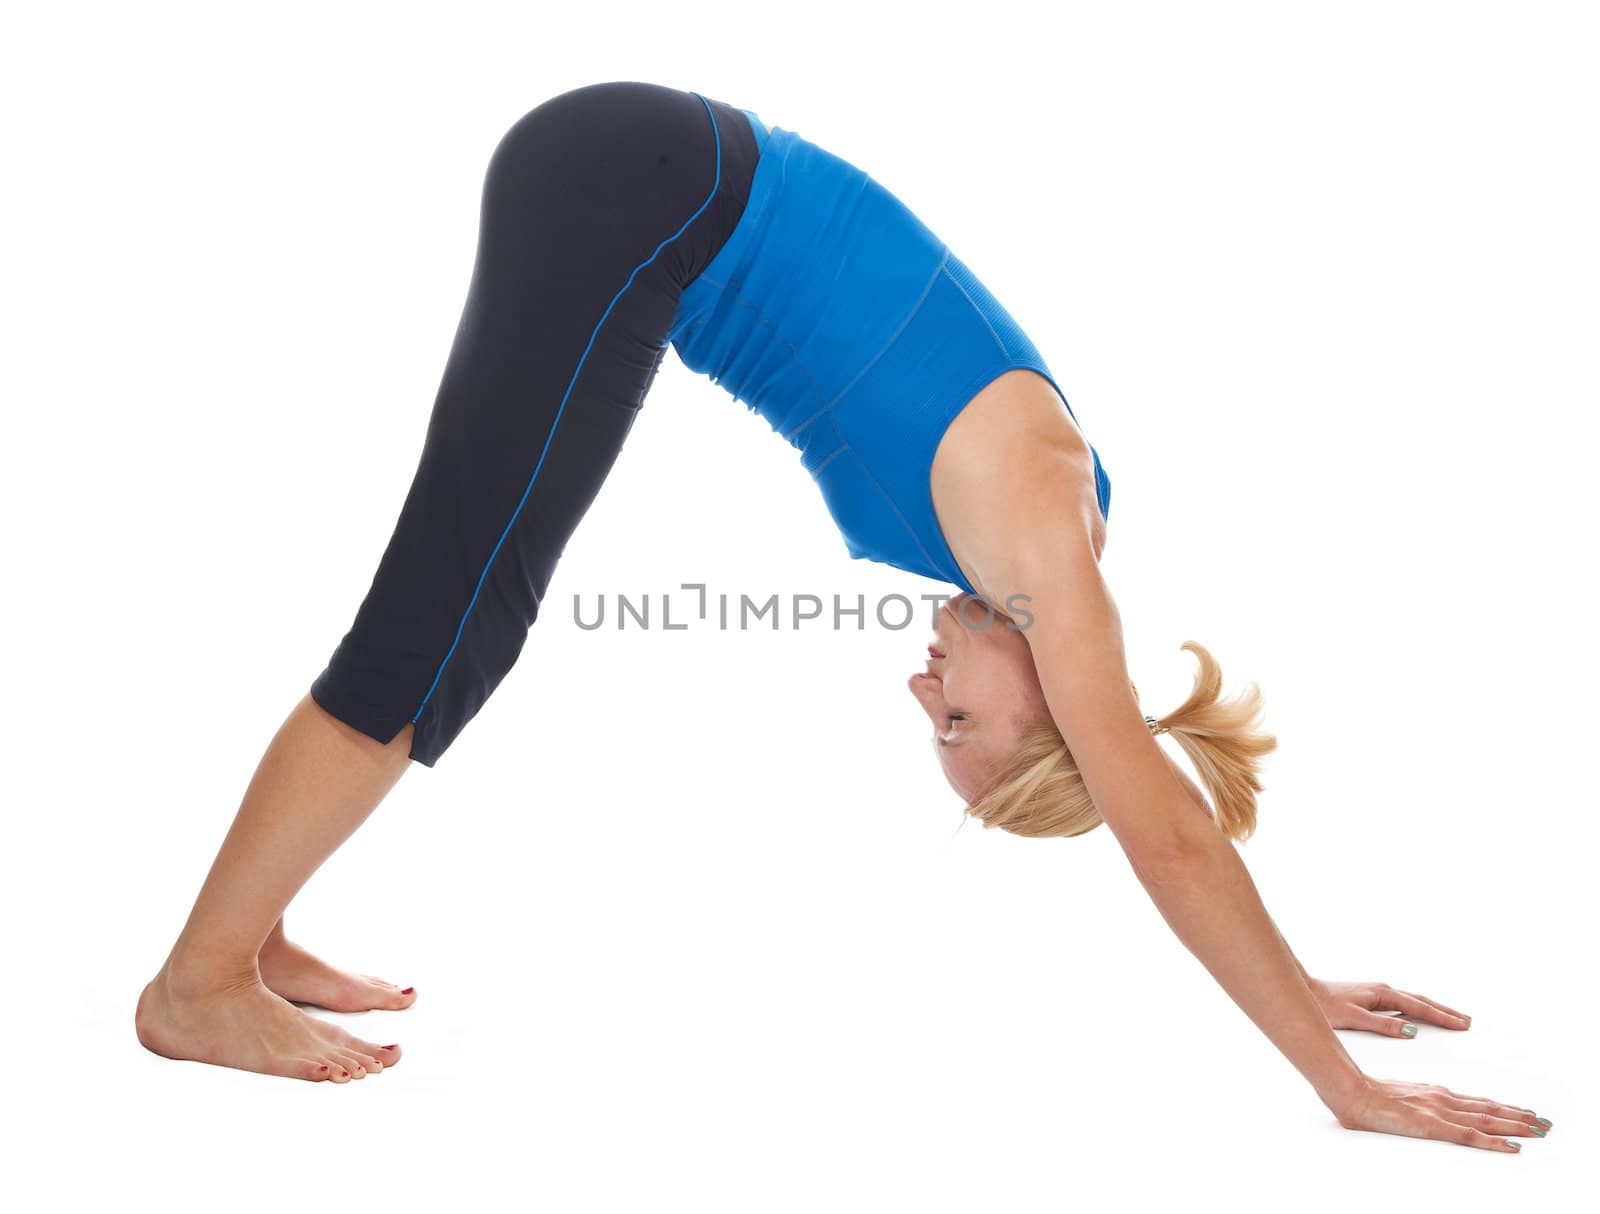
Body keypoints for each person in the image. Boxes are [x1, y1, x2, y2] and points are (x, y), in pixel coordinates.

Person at [134, 81, 1552, 1152]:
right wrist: (1334, 1071)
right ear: (1056, 701)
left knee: (466, 606)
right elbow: (1164, 833)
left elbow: (1151, 811)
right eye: (958, 723)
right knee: (452, 617)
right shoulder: (1049, 541)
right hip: (637, 194)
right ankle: (198, 982)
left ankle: (251, 934)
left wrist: (1294, 970)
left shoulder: (1027, 553)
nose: (919, 691)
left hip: (644, 194)